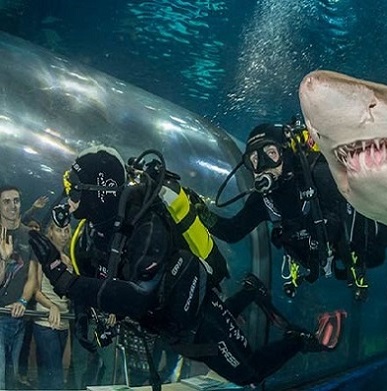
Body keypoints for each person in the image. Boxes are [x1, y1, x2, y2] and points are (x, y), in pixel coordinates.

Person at [28, 145, 340, 388]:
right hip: (168, 326)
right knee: (206, 348)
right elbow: (90, 279)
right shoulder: (84, 239)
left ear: (100, 193)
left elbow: (140, 297)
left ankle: (298, 340)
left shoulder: (146, 227)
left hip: (197, 313)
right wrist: (82, 316)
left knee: (248, 373)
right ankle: (249, 291)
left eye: (74, 189)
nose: (67, 199)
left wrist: (63, 281)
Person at [207, 121, 387, 301]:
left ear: (286, 152)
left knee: (385, 241)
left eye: (271, 154)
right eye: (255, 160)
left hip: (359, 243)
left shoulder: (320, 176)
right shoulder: (264, 201)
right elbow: (231, 232)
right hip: (322, 258)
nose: (264, 165)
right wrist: (196, 211)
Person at [0, 185, 38, 389]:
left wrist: (23, 300)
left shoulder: (28, 235)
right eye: (6, 201)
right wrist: (4, 260)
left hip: (18, 317)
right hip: (0, 314)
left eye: (16, 200)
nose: (12, 206)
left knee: (13, 376)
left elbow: (32, 277)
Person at [33, 205, 73, 389]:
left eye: (66, 230)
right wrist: (52, 306)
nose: (63, 234)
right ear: (50, 231)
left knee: (48, 379)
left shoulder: (69, 259)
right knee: (56, 380)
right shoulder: (42, 254)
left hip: (63, 322)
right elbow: (36, 291)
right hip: (45, 322)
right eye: (59, 230)